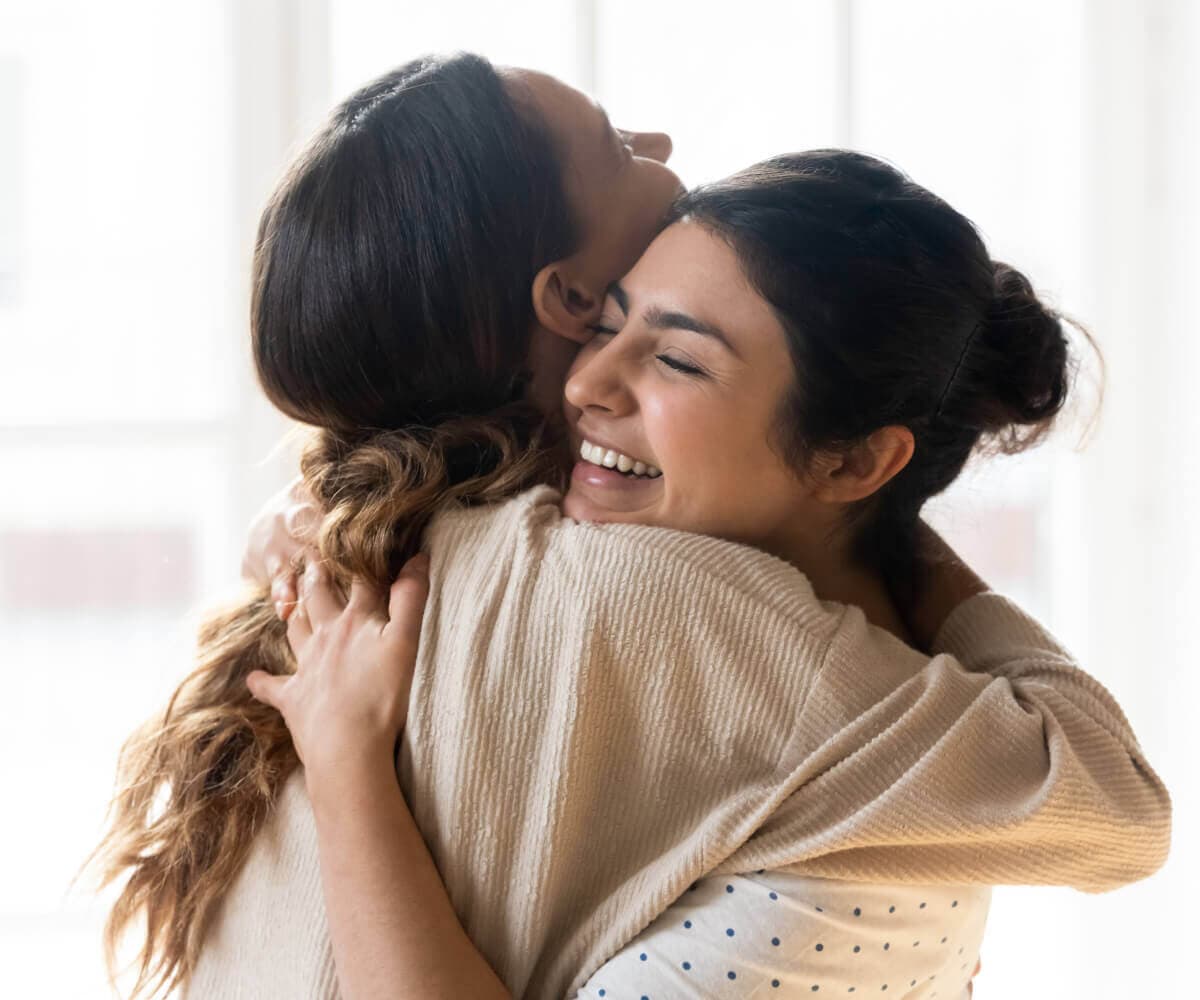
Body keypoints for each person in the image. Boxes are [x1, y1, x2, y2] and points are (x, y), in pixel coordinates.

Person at [85, 53, 1169, 1000]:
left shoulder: (365, 544)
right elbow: (1113, 806)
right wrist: (886, 516)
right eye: (613, 140)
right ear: (565, 300)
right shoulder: (651, 597)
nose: (662, 145)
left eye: (676, 349)